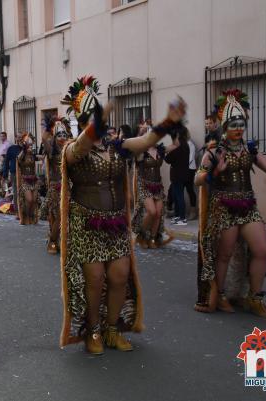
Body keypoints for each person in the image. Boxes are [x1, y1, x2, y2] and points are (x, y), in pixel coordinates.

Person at [59, 75, 186, 355]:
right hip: (86, 225)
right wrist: (99, 118)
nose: (99, 128)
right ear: (81, 123)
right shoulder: (72, 150)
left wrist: (169, 121)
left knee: (119, 276)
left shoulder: (118, 148)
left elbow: (147, 140)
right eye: (91, 121)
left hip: (115, 225)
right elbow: (81, 145)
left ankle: (112, 329)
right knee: (94, 280)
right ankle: (92, 330)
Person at [194, 89, 266, 318]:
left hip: (247, 205)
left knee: (262, 249)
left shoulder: (250, 149)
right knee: (224, 254)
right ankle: (221, 295)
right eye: (233, 124)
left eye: (241, 124)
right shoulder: (215, 152)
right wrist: (214, 172)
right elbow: (197, 178)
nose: (238, 128)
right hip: (224, 207)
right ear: (225, 126)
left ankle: (254, 297)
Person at [132, 137, 173, 248]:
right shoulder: (142, 152)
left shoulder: (160, 150)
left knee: (158, 213)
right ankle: (142, 235)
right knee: (152, 211)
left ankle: (152, 239)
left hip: (157, 185)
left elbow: (174, 146)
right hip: (144, 184)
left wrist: (177, 132)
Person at [41, 115, 72, 254]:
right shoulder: (51, 151)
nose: (62, 137)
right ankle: (52, 240)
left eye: (64, 134)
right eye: (59, 134)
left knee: (69, 217)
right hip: (56, 188)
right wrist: (49, 126)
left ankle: (65, 241)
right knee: (59, 216)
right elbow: (43, 139)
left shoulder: (71, 150)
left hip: (69, 188)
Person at [165, 127, 190, 226]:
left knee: (178, 196)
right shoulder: (185, 143)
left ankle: (182, 218)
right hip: (182, 174)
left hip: (178, 175)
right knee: (176, 196)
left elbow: (168, 159)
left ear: (178, 134)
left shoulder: (178, 145)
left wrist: (164, 153)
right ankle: (177, 216)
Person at [16, 132, 40, 225]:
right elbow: (18, 159)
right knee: (29, 200)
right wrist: (24, 149)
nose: (30, 147)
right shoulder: (22, 156)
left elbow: (41, 158)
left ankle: (31, 217)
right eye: (29, 146)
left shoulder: (33, 156)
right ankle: (25, 217)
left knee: (34, 201)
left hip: (34, 181)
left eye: (31, 146)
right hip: (25, 181)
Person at [3, 133, 23, 213]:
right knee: (16, 190)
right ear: (16, 138)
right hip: (14, 172)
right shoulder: (11, 148)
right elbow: (6, 161)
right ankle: (17, 209)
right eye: (18, 137)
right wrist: (5, 174)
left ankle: (23, 208)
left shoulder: (25, 148)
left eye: (21, 137)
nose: (20, 139)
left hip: (24, 173)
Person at [186, 135, 198, 219]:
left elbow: (190, 158)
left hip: (190, 169)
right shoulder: (183, 144)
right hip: (185, 169)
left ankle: (193, 212)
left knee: (190, 189)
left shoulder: (190, 144)